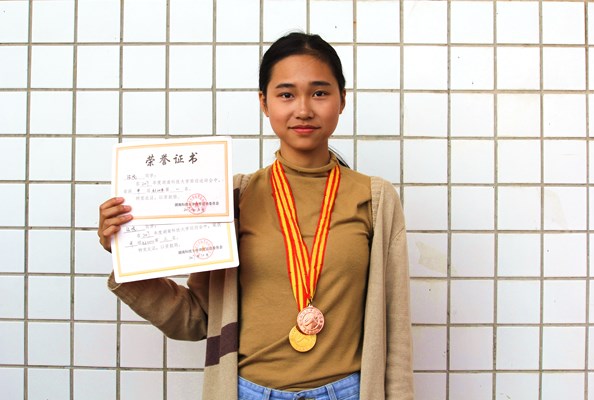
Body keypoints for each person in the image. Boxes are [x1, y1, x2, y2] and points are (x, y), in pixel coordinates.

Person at [98, 32, 413, 400]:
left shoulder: (375, 199)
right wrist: (125, 252)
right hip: (248, 392)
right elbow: (197, 318)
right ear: (264, 102)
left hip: (347, 392)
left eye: (319, 92)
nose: (303, 109)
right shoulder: (231, 198)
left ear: (342, 99)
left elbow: (395, 327)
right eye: (286, 94)